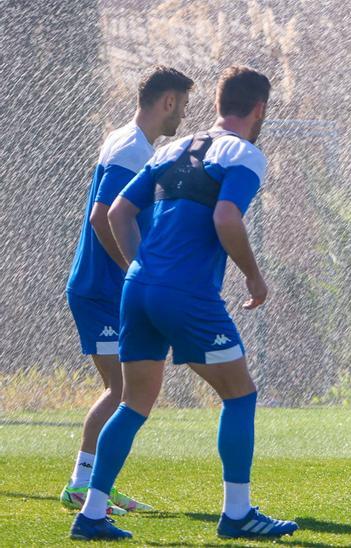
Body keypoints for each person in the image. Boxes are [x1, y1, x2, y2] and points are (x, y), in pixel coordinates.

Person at [69, 66, 298, 541]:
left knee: (132, 403)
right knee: (240, 394)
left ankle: (91, 513)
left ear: (218, 104)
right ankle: (237, 514)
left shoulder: (170, 148)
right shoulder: (245, 154)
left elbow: (118, 212)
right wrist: (254, 276)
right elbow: (227, 216)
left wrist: (142, 269)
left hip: (139, 289)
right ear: (259, 110)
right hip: (188, 294)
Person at [61, 65, 192, 516]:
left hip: (105, 288)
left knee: (127, 390)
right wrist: (133, 271)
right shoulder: (132, 150)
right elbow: (103, 216)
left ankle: (96, 484)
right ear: (168, 102)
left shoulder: (123, 139)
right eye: (183, 105)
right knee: (121, 389)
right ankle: (82, 485)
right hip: (100, 289)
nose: (184, 117)